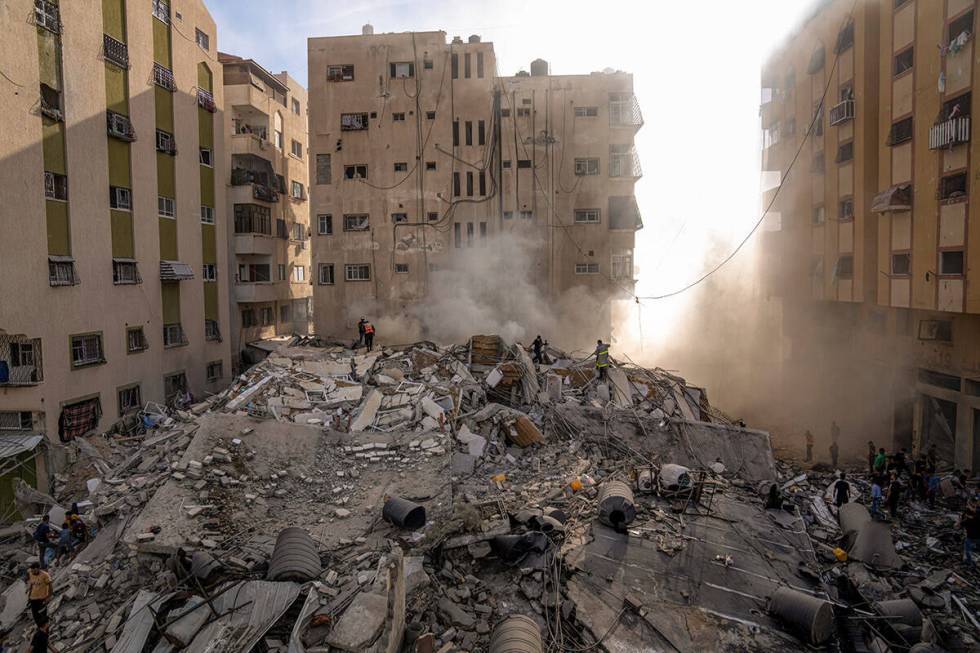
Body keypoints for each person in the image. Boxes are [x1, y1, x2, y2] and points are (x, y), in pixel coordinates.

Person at [960, 501, 980, 567]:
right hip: (978, 537)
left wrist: (962, 518)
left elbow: (958, 525)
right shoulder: (977, 517)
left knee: (967, 550)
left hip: (970, 538)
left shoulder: (966, 521)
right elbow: (975, 512)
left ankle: (969, 562)